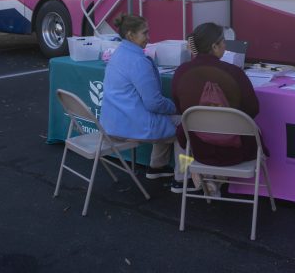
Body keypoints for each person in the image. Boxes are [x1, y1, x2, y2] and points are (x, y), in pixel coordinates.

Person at [100, 14, 193, 192]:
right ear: (130, 35)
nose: (149, 38)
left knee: (165, 119)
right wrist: (179, 108)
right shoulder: (138, 62)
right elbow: (154, 104)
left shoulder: (118, 53)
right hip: (131, 126)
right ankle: (183, 178)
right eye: (145, 33)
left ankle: (156, 167)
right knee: (185, 125)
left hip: (113, 123)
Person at [171, 22, 261, 195]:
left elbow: (179, 107)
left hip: (196, 147)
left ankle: (188, 176)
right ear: (214, 46)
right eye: (223, 42)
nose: (225, 46)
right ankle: (213, 180)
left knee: (181, 132)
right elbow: (253, 110)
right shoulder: (234, 73)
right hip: (235, 150)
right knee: (250, 131)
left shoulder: (182, 72)